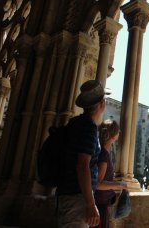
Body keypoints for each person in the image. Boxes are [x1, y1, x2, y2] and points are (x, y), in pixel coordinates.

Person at [57, 80, 110, 228]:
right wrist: (90, 204)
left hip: (68, 193)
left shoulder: (75, 123)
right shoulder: (88, 127)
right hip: (77, 198)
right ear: (101, 103)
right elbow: (82, 166)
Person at [92, 119, 127, 228]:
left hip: (102, 204)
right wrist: (119, 185)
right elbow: (98, 184)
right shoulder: (103, 155)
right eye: (118, 131)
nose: (119, 132)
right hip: (100, 206)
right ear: (113, 135)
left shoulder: (102, 152)